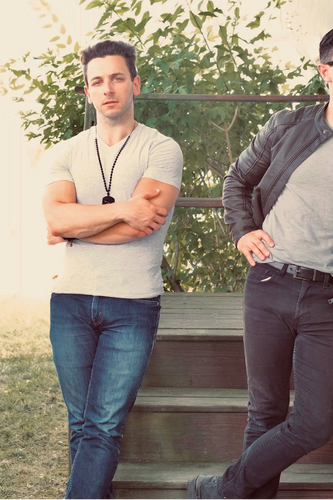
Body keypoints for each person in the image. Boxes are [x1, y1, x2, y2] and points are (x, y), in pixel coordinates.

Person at [187, 23, 333, 499]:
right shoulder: (287, 126)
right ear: (325, 72)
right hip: (270, 284)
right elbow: (236, 181)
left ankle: (220, 490)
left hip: (330, 299)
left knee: (314, 423)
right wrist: (243, 230)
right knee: (265, 413)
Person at [42, 40, 182, 499]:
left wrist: (75, 228)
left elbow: (142, 226)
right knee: (81, 423)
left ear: (135, 84)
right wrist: (122, 209)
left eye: (117, 78)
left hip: (133, 303)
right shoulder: (65, 152)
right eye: (98, 81)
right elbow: (57, 218)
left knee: (102, 425)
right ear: (87, 91)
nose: (108, 89)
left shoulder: (162, 150)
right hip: (70, 301)